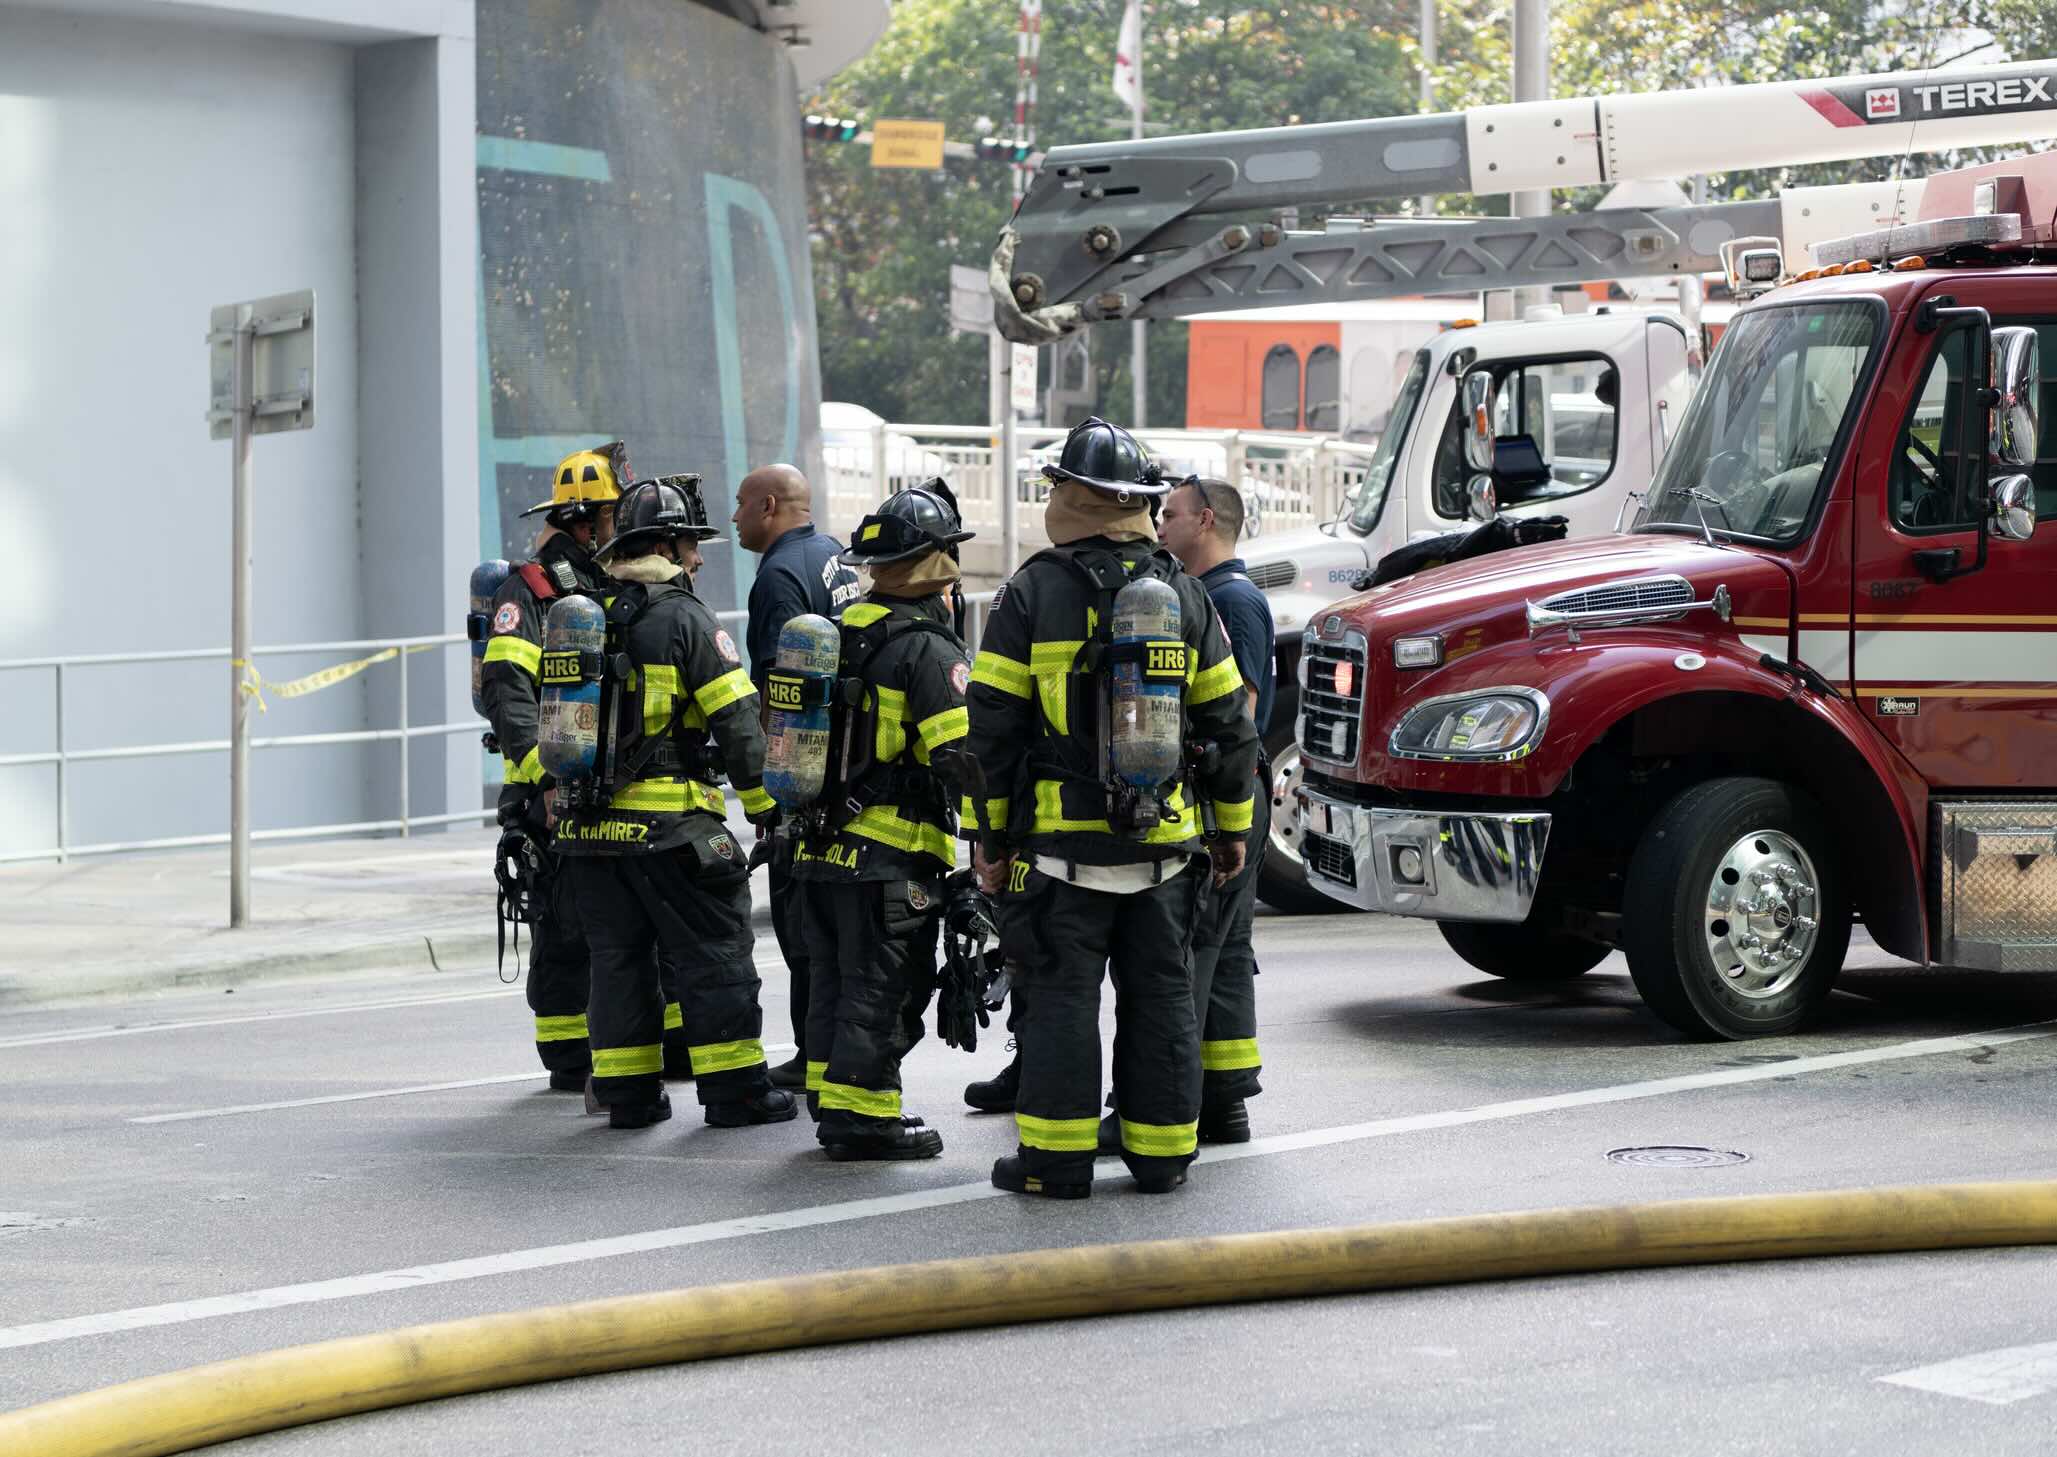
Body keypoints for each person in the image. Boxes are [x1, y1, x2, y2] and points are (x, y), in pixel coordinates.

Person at [966, 418, 1260, 1199]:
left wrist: (989, 840)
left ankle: (1055, 1164)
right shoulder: (1186, 595)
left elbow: (991, 729)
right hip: (1166, 846)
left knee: (1062, 997)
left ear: (1069, 494)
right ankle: (1161, 1157)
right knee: (1161, 994)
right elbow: (1231, 724)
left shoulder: (1031, 590)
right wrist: (1229, 830)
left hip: (1062, 852)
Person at [554, 475, 792, 1130]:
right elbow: (739, 725)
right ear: (666, 542)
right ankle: (736, 1090)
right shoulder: (685, 618)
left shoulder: (588, 613)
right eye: (691, 543)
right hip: (671, 828)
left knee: (618, 963)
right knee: (713, 953)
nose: (699, 557)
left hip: (589, 836)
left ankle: (628, 1097)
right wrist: (767, 809)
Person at [788, 482, 976, 1161]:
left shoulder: (840, 631)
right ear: (935, 562)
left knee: (832, 982)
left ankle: (831, 1096)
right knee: (884, 986)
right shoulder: (927, 649)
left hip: (818, 847)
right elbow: (962, 760)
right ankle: (862, 1116)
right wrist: (993, 842)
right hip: (889, 854)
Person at [480, 443, 622, 1090]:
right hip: (548, 792)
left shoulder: (613, 581)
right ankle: (568, 1056)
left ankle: (629, 1046)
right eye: (613, 515)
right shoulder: (529, 590)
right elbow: (507, 693)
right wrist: (546, 778)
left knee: (617, 924)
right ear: (587, 521)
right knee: (563, 928)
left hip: (609, 787)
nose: (620, 525)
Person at [1153, 476, 1275, 1143]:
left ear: (1204, 520)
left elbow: (1241, 714)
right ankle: (1224, 1100)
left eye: (1168, 514)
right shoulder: (1218, 594)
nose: (1159, 526)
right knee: (1224, 951)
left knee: (1194, 949)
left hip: (1225, 793)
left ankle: (1171, 1102)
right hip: (1236, 790)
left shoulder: (1229, 599)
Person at [733, 463, 862, 1090]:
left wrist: (771, 786)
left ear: (769, 506)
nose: (733, 519)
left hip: (807, 772)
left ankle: (814, 1056)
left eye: (740, 505)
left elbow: (774, 692)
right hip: (853, 768)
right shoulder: (833, 556)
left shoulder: (778, 578)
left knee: (801, 922)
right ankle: (828, 1051)